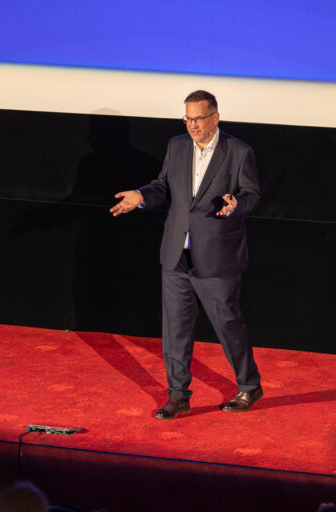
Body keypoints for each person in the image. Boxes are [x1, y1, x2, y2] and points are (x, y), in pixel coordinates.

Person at [110, 90, 262, 419]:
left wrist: (237, 205)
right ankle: (178, 396)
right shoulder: (177, 146)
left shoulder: (238, 151)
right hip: (176, 251)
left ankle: (249, 385)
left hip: (218, 254)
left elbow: (252, 193)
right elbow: (162, 186)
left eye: (199, 118)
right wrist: (141, 195)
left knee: (228, 323)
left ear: (215, 118)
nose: (192, 125)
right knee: (176, 329)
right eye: (187, 119)